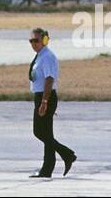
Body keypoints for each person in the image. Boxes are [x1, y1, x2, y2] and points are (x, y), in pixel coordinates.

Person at [28, 27, 76, 179]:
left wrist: (45, 102)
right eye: (31, 41)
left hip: (45, 96)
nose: (33, 43)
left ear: (45, 40)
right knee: (47, 134)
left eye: (36, 40)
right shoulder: (40, 56)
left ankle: (67, 154)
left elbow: (49, 79)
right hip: (43, 96)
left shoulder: (47, 56)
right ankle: (47, 169)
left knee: (39, 132)